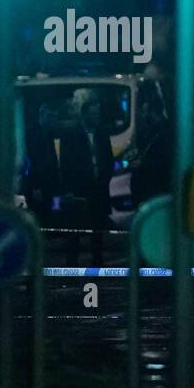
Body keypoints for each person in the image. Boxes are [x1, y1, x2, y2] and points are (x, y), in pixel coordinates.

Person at [59, 90, 115, 265]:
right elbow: (67, 164)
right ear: (85, 114)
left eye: (98, 113)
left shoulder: (102, 134)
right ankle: (71, 268)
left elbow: (108, 159)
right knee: (74, 233)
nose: (97, 116)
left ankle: (97, 266)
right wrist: (69, 189)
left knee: (97, 233)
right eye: (94, 113)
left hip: (98, 188)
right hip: (79, 191)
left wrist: (104, 178)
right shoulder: (71, 135)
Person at [130, 82, 172, 208]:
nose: (142, 115)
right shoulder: (150, 132)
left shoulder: (164, 133)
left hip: (155, 189)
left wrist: (143, 164)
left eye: (144, 112)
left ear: (153, 112)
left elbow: (164, 162)